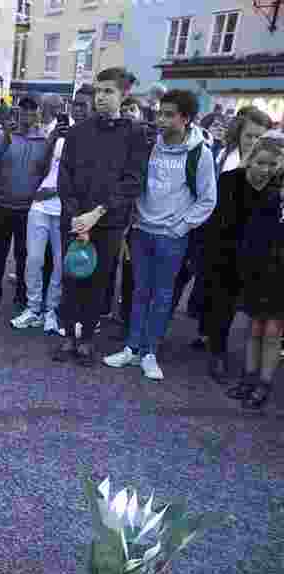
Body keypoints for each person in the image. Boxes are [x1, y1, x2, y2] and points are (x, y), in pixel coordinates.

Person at [103, 89, 216, 381]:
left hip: (172, 236)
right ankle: (131, 347)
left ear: (186, 119)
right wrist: (133, 221)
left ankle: (150, 352)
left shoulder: (199, 153)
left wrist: (180, 226)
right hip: (141, 231)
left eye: (169, 115)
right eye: (159, 114)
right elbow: (136, 183)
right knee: (139, 291)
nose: (161, 120)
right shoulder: (149, 145)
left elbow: (208, 199)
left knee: (163, 296)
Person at [53, 67, 149, 367]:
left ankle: (87, 340)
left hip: (107, 221)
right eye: (99, 91)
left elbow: (133, 181)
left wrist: (96, 213)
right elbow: (64, 176)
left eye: (108, 91)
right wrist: (76, 216)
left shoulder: (135, 133)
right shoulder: (79, 130)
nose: (101, 97)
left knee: (98, 281)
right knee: (70, 278)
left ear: (124, 94)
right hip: (74, 219)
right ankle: (68, 334)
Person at [203, 131, 283, 385]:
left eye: (272, 164)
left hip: (261, 260)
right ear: (251, 160)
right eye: (261, 163)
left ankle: (253, 368)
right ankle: (217, 352)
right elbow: (216, 223)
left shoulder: (275, 189)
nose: (265, 169)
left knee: (255, 315)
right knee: (222, 307)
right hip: (226, 254)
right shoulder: (230, 180)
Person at [0, 96, 49, 317]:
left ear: (39, 113)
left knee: (25, 256)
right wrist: (7, 139)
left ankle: (21, 296)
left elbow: (48, 173)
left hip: (28, 210)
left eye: (32, 110)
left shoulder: (45, 140)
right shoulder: (2, 135)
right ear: (17, 112)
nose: (27, 114)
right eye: (24, 110)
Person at [230, 131, 284, 408]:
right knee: (254, 326)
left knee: (273, 330)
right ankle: (248, 378)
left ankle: (263, 384)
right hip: (260, 266)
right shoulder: (268, 187)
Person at [12, 110, 68, 335]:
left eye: (84, 106)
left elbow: (83, 178)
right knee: (33, 260)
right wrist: (53, 138)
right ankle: (33, 308)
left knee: (59, 263)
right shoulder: (54, 136)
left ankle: (51, 311)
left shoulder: (86, 137)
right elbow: (40, 168)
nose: (78, 111)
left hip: (64, 207)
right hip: (40, 206)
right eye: (75, 107)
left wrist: (54, 191)